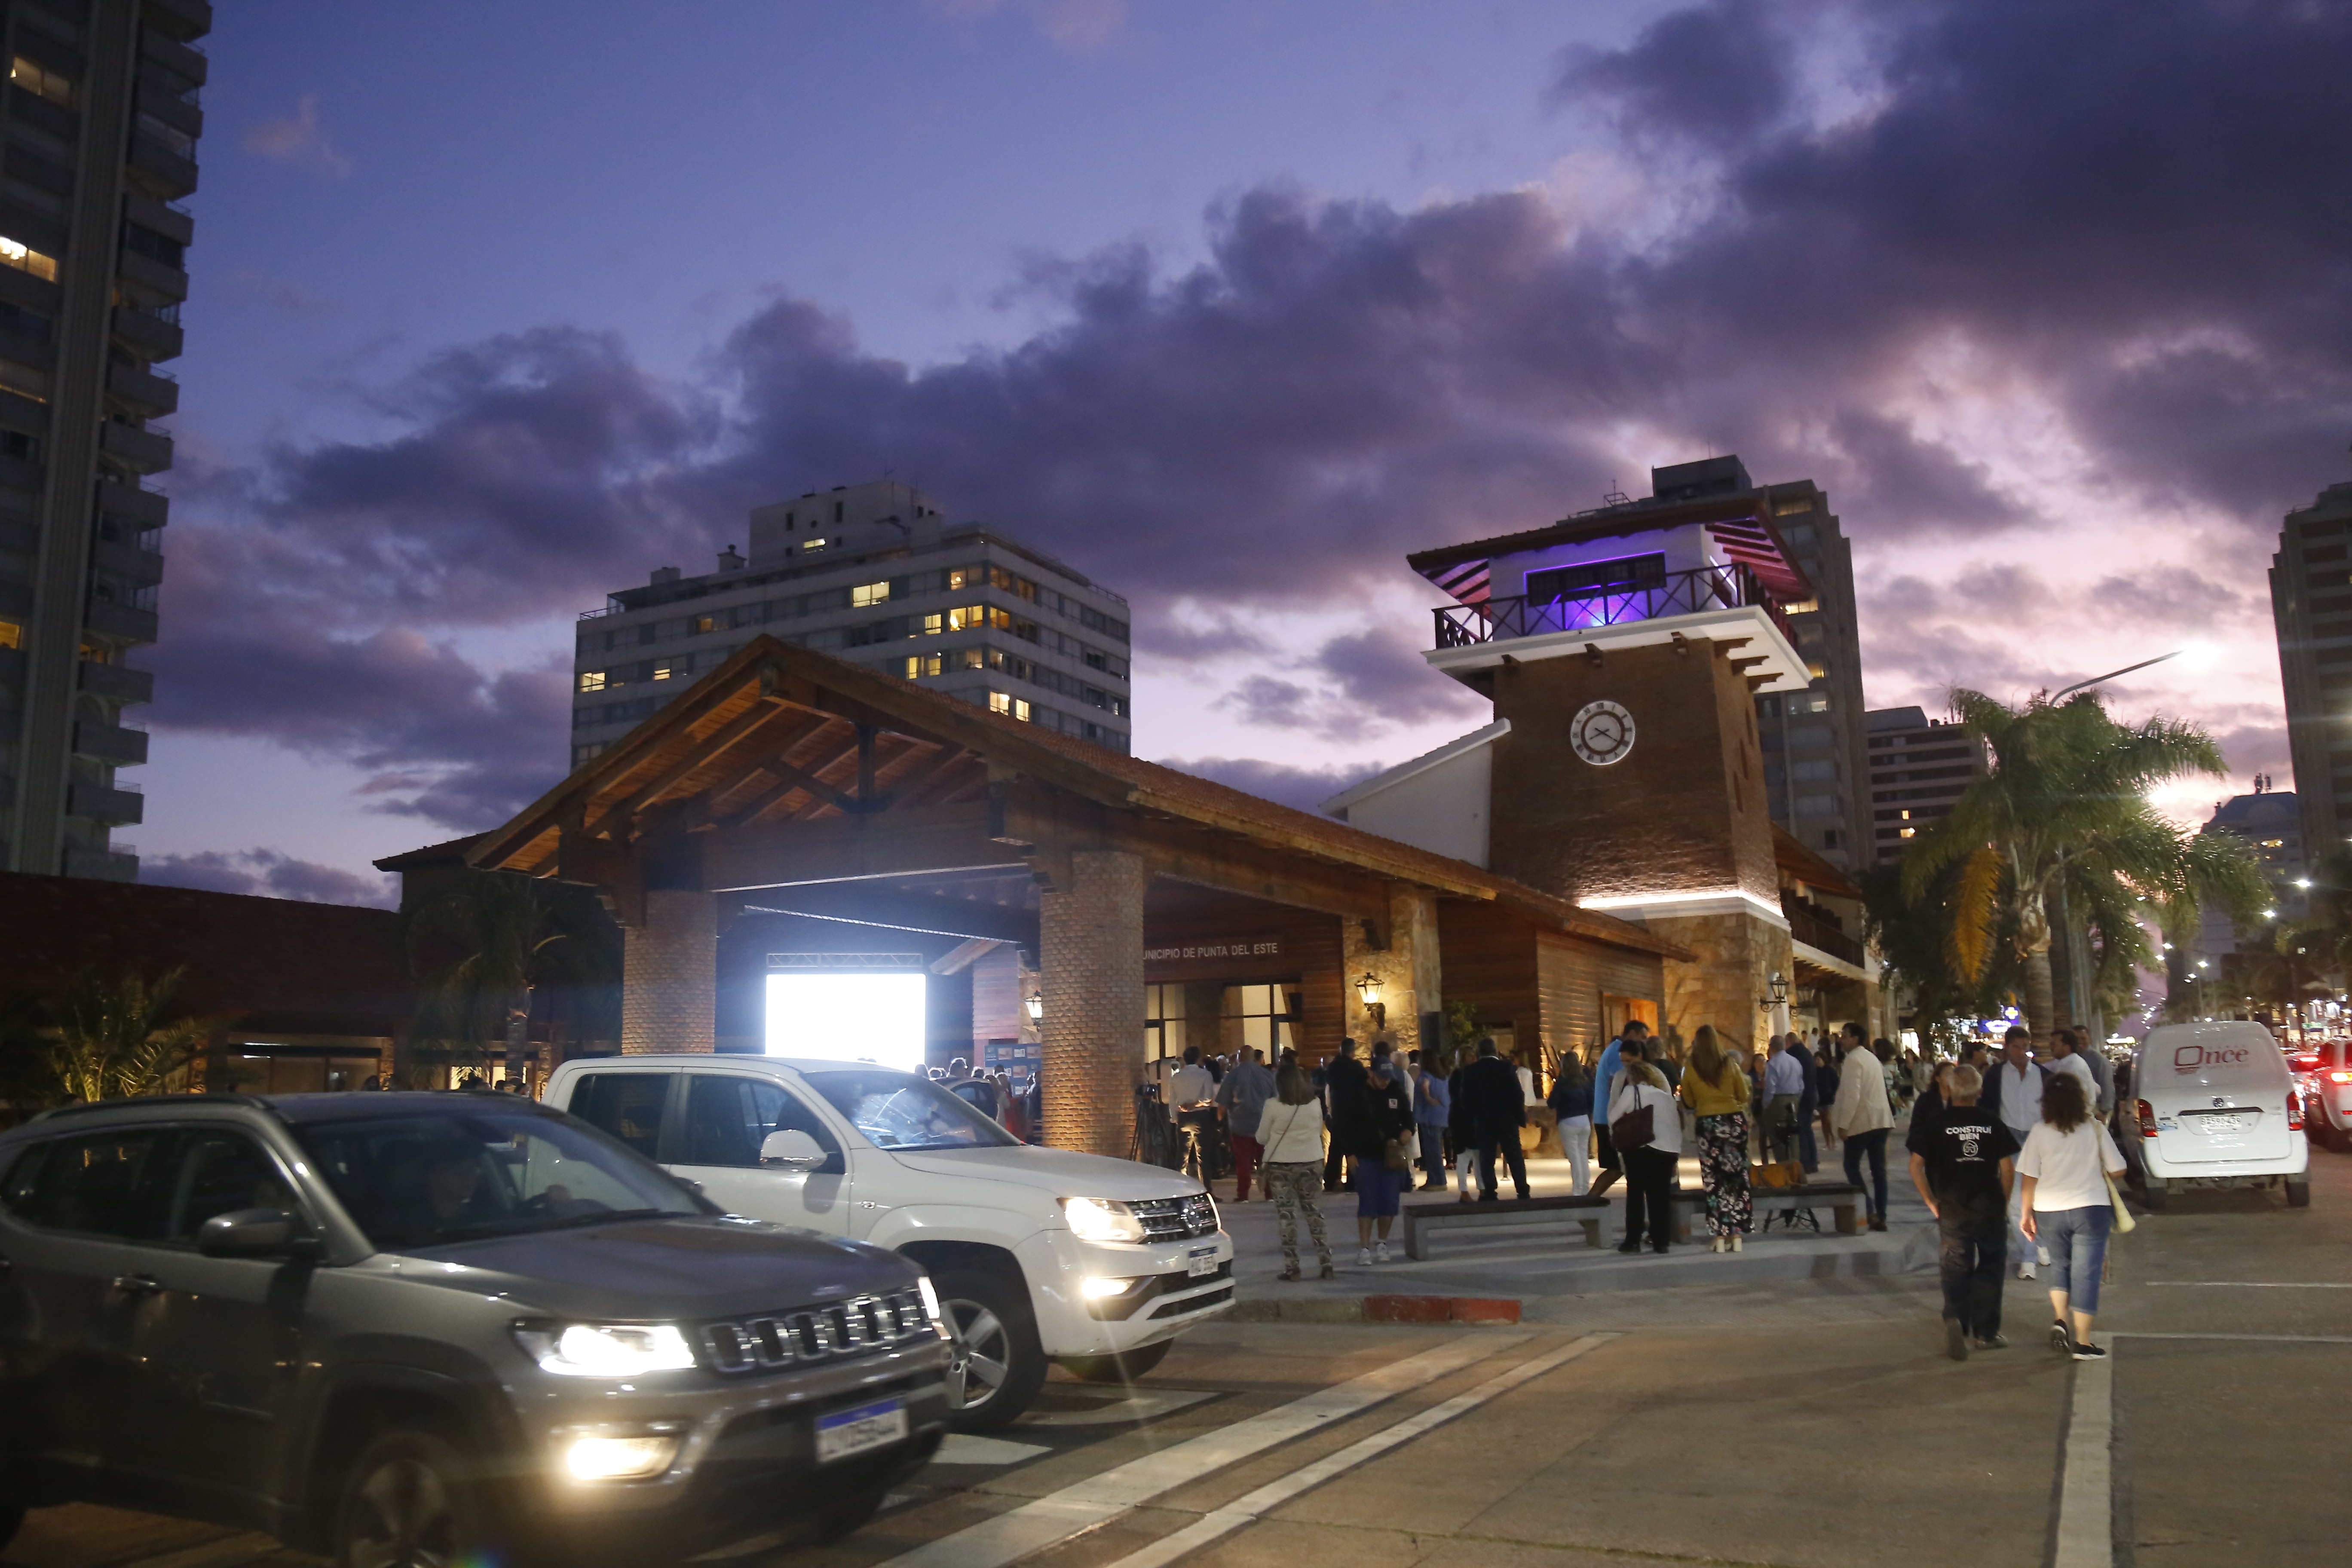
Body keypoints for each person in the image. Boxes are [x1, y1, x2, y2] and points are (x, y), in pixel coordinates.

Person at [1907, 1063, 2019, 1359]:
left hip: (1953, 1209)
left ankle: (1956, 1317)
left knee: (1955, 1267)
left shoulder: (1936, 1124)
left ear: (1949, 1090)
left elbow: (1915, 1166)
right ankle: (1986, 1333)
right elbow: (2008, 1168)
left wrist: (1931, 1201)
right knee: (1991, 1268)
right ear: (1980, 1093)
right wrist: (2004, 1202)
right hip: (1989, 1208)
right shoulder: (1992, 1122)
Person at [2018, 1072, 2128, 1361]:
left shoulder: (2040, 1131)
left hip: (2049, 1210)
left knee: (2060, 1266)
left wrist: (2026, 1214)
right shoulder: (2095, 1129)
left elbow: (2029, 1177)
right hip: (2090, 1208)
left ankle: (2060, 1320)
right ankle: (2083, 1342)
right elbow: (2119, 1170)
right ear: (2080, 1098)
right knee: (2086, 1274)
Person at [1983, 1026, 2052, 1278]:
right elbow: (1988, 1108)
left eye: (2025, 1047)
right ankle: (2028, 1257)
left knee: (2040, 1199)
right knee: (2014, 1201)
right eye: (2016, 1047)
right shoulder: (1996, 1075)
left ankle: (2040, 1243)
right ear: (2007, 1048)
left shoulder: (2042, 1075)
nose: (2021, 1053)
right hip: (2008, 1139)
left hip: (2038, 1140)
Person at [1677, 1024, 1751, 1251]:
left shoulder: (1691, 1068)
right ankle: (1736, 1234)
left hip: (1708, 1124)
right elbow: (1744, 1094)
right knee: (1736, 1178)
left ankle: (1719, 1235)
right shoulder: (1730, 1064)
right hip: (1734, 1122)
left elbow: (1688, 1100)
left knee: (1714, 1180)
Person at [1258, 1063, 1334, 1280]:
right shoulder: (1314, 1104)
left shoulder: (1272, 1106)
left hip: (1281, 1165)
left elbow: (1262, 1137)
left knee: (1287, 1216)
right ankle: (1326, 1263)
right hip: (1311, 1162)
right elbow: (1317, 1128)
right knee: (1314, 1213)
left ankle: (1293, 1268)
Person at [1609, 1038, 1681, 1253]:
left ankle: (1633, 1240)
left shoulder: (1633, 1091)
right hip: (1667, 1151)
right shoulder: (1666, 1096)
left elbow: (1613, 1117)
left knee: (1636, 1196)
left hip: (1642, 1149)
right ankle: (1662, 1242)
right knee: (1660, 1198)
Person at [1831, 1024, 1895, 1231]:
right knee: (1879, 1171)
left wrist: (1843, 1124)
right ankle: (1882, 1214)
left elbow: (1852, 1096)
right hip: (1881, 1120)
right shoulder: (1871, 1058)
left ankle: (1869, 1210)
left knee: (1851, 1166)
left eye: (1846, 1037)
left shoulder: (1853, 1060)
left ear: (1856, 1039)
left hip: (1862, 1122)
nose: (1842, 1040)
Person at [1352, 1059, 1415, 1263]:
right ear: (1372, 1074)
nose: (1384, 1082)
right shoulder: (1359, 1092)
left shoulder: (1396, 1090)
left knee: (1389, 1202)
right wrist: (1350, 1153)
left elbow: (1408, 1118)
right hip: (1366, 1154)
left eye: (1388, 1079)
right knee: (1368, 1202)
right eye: (1381, 1078)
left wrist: (1408, 1131)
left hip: (1392, 1154)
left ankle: (1382, 1242)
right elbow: (1346, 1123)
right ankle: (1364, 1247)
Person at [1462, 1037, 1531, 1202]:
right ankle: (1522, 1190)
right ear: (1495, 1051)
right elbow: (1517, 1094)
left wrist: (1473, 1117)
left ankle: (1490, 1191)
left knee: (1487, 1157)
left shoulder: (1471, 1071)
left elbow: (1466, 1099)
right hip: (1507, 1119)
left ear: (1479, 1053)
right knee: (1514, 1155)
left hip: (1484, 1121)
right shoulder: (1506, 1067)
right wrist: (1520, 1117)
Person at [1589, 1020, 1647, 1198]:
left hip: (1606, 1117)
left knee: (1620, 1167)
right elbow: (1618, 1085)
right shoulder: (1619, 1053)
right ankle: (1589, 1202)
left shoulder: (1614, 1049)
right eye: (1642, 1037)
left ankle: (1589, 1202)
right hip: (1611, 1119)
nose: (1644, 1042)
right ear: (1632, 1034)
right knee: (1618, 1167)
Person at [1215, 1046, 1277, 1202]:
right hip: (1264, 1124)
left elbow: (1223, 1102)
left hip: (1240, 1126)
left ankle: (1243, 1195)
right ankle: (1270, 1193)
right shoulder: (1267, 1075)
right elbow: (1276, 1099)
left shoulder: (1233, 1075)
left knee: (1243, 1163)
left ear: (1239, 1057)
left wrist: (1219, 1119)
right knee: (1266, 1161)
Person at [1323, 1038, 1371, 1192]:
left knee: (1336, 1148)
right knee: (1354, 1147)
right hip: (1354, 1112)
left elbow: (1330, 1086)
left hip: (1338, 1111)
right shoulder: (1357, 1067)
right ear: (1353, 1050)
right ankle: (1353, 1181)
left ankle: (1331, 1180)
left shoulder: (1333, 1067)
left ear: (1341, 1049)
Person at [1546, 1049, 1596, 1195]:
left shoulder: (1562, 1082)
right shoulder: (1585, 1081)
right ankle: (1585, 1188)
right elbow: (1591, 1100)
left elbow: (1552, 1103)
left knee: (1574, 1158)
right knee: (1583, 1156)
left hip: (1568, 1121)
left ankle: (1577, 1190)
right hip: (1584, 1120)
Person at [1758, 1033, 1805, 1164]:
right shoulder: (1795, 1061)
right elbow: (1801, 1084)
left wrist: (1766, 1105)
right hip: (1794, 1099)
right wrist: (1797, 1099)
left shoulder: (1773, 1064)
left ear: (1771, 1047)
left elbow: (1770, 1088)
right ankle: (1795, 1163)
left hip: (1778, 1102)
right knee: (1793, 1134)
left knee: (1776, 1134)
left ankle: (1783, 1164)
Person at [1413, 1048, 1452, 1190]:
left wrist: (1428, 1098)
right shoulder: (1443, 1077)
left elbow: (1425, 1086)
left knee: (1432, 1150)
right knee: (1436, 1148)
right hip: (1442, 1116)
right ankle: (1434, 1179)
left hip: (1429, 1116)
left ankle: (1438, 1181)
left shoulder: (1426, 1075)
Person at [1446, 1050, 1479, 1201]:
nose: (1473, 1058)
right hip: (1463, 1120)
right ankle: (1464, 1191)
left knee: (1478, 1157)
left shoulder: (1467, 1075)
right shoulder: (1460, 1075)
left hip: (1470, 1119)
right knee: (1464, 1156)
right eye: (1470, 1056)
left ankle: (1482, 1188)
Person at [1787, 1030, 1822, 1170]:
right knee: (1808, 1130)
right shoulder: (1807, 1053)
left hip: (1802, 1097)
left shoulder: (1793, 1054)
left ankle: (1806, 1163)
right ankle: (1813, 1161)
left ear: (1788, 1043)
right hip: (1811, 1096)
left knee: (1801, 1130)